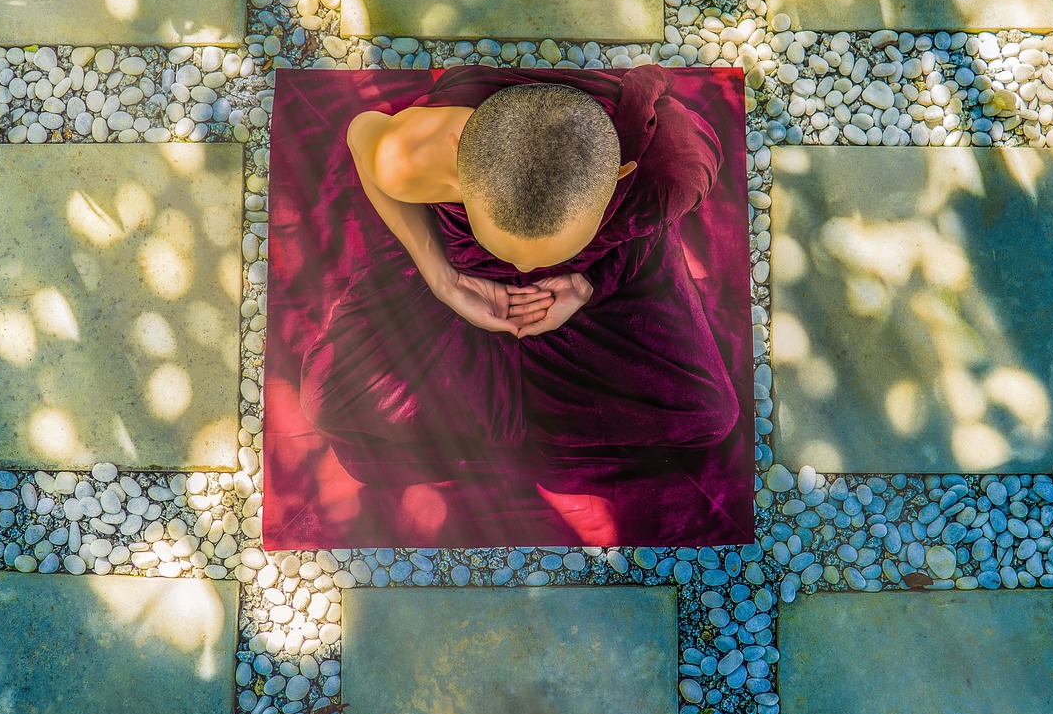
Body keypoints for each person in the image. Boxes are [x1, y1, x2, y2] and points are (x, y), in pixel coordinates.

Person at [298, 64, 739, 460]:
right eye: (507, 250)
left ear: (620, 176)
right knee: (326, 398)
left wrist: (591, 282)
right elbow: (362, 133)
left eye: (548, 253)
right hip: (458, 266)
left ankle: (494, 411)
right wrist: (441, 277)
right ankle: (544, 410)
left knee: (708, 414)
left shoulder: (673, 168)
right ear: (458, 158)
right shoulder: (416, 154)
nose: (524, 273)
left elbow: (647, 232)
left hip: (602, 276)